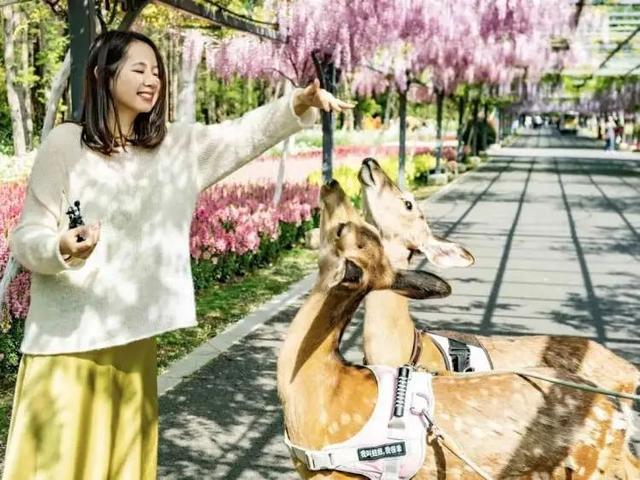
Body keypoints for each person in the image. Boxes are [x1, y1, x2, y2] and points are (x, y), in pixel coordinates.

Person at [1, 30, 352, 480]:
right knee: (56, 466)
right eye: (138, 69)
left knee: (120, 466)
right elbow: (26, 235)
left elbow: (239, 136)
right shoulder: (67, 144)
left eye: (156, 72)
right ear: (103, 75)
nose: (152, 80)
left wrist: (296, 104)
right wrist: (60, 247)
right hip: (67, 342)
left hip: (131, 338)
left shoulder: (172, 149)